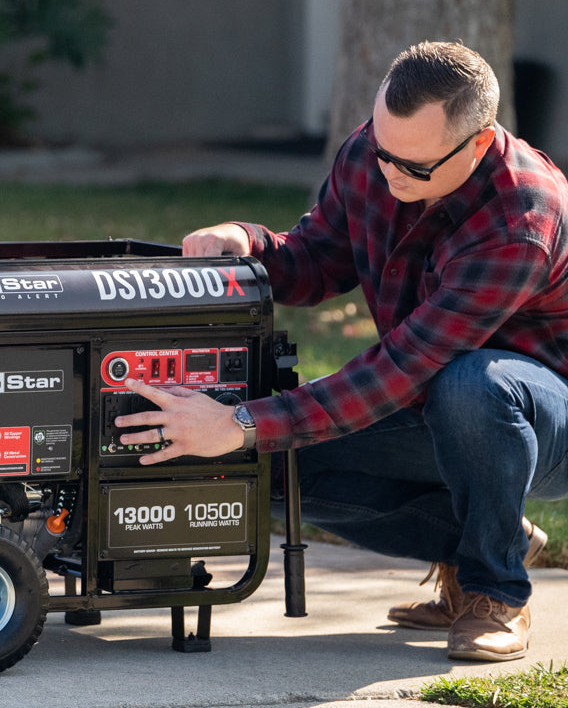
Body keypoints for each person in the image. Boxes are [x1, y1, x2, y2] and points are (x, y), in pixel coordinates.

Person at [115, 40, 568, 662]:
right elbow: (317, 260)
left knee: (472, 384)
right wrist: (247, 244)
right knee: (266, 467)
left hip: (538, 420)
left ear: (480, 143)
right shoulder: (374, 154)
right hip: (429, 401)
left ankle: (496, 590)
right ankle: (483, 539)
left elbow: (403, 367)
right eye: (382, 150)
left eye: (414, 167)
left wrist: (241, 421)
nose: (390, 173)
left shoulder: (521, 218)